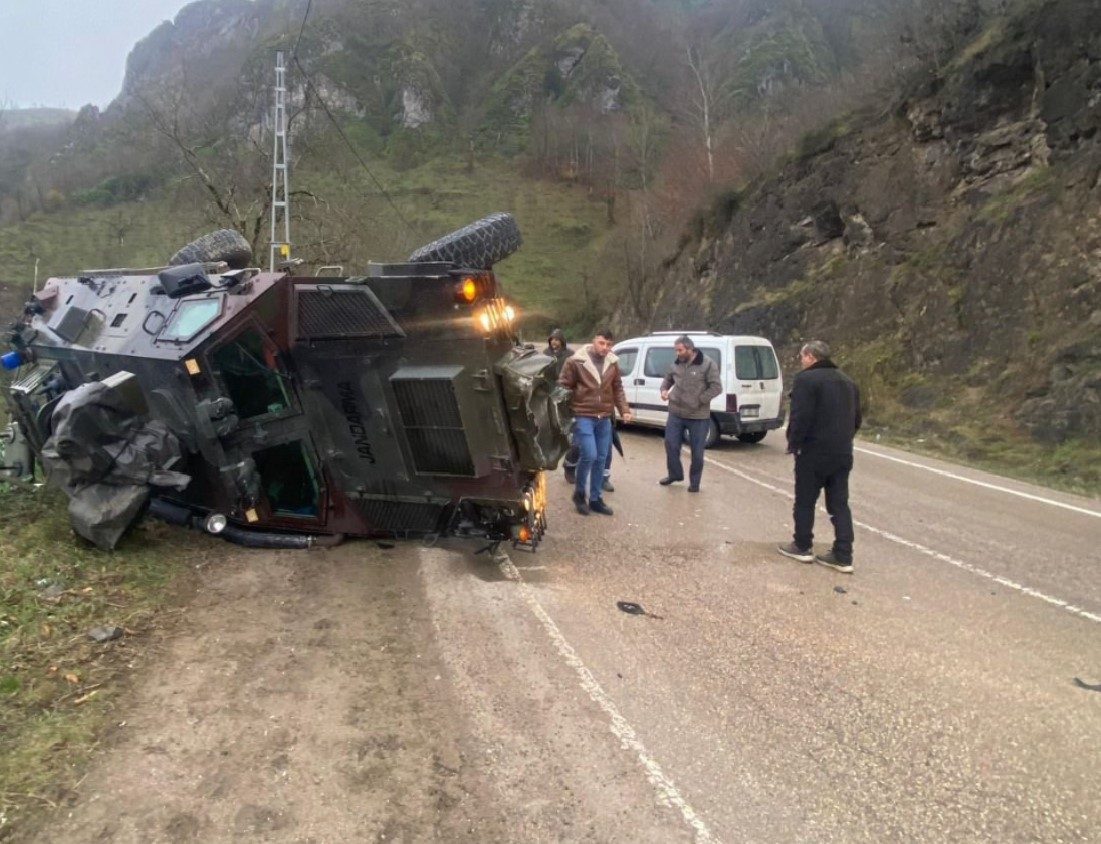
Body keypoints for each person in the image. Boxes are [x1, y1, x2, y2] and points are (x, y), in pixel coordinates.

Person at [778, 340, 862, 573]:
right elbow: (856, 419)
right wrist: (844, 440)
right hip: (842, 451)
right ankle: (843, 554)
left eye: (802, 357)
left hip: (813, 451)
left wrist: (794, 444)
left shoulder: (806, 380)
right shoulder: (848, 381)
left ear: (811, 357)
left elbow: (800, 416)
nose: (801, 361)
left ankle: (802, 545)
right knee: (839, 503)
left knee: (805, 500)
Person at [558, 329, 632, 515]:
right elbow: (562, 388)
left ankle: (596, 499)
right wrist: (567, 414)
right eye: (601, 343)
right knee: (589, 455)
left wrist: (624, 410)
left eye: (609, 344)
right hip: (583, 415)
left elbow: (618, 388)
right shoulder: (575, 362)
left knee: (601, 458)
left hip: (604, 418)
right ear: (593, 341)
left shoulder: (612, 363)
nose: (605, 348)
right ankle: (580, 494)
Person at [658, 335, 722, 493]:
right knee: (670, 445)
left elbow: (716, 387)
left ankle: (695, 483)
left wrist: (699, 400)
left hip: (698, 416)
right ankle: (675, 474)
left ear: (690, 349)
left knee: (697, 452)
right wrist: (664, 390)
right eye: (676, 350)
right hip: (676, 412)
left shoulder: (707, 364)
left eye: (680, 350)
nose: (677, 354)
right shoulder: (676, 363)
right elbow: (668, 379)